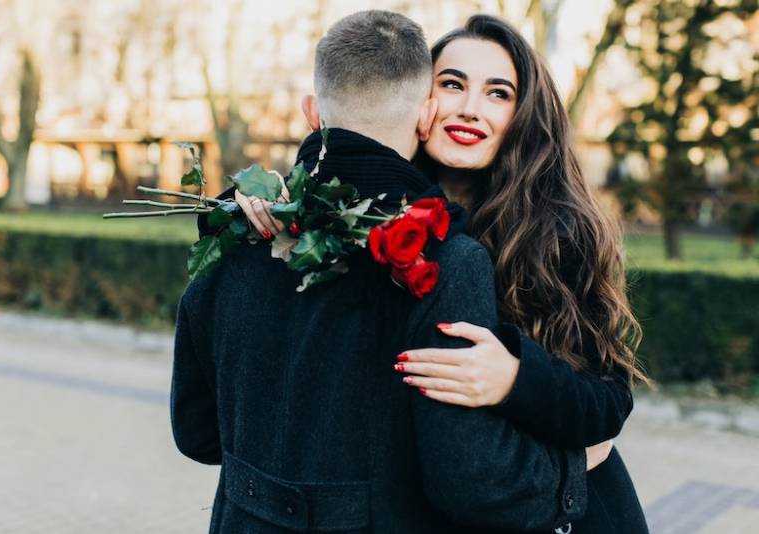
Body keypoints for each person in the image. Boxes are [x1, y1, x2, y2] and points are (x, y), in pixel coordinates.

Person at [172, 10, 601, 534]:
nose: (469, 108)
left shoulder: (236, 238)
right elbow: (469, 480)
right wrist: (569, 476)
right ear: (425, 112)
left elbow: (197, 434)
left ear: (313, 112)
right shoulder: (433, 256)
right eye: (452, 83)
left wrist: (518, 378)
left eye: (498, 92)